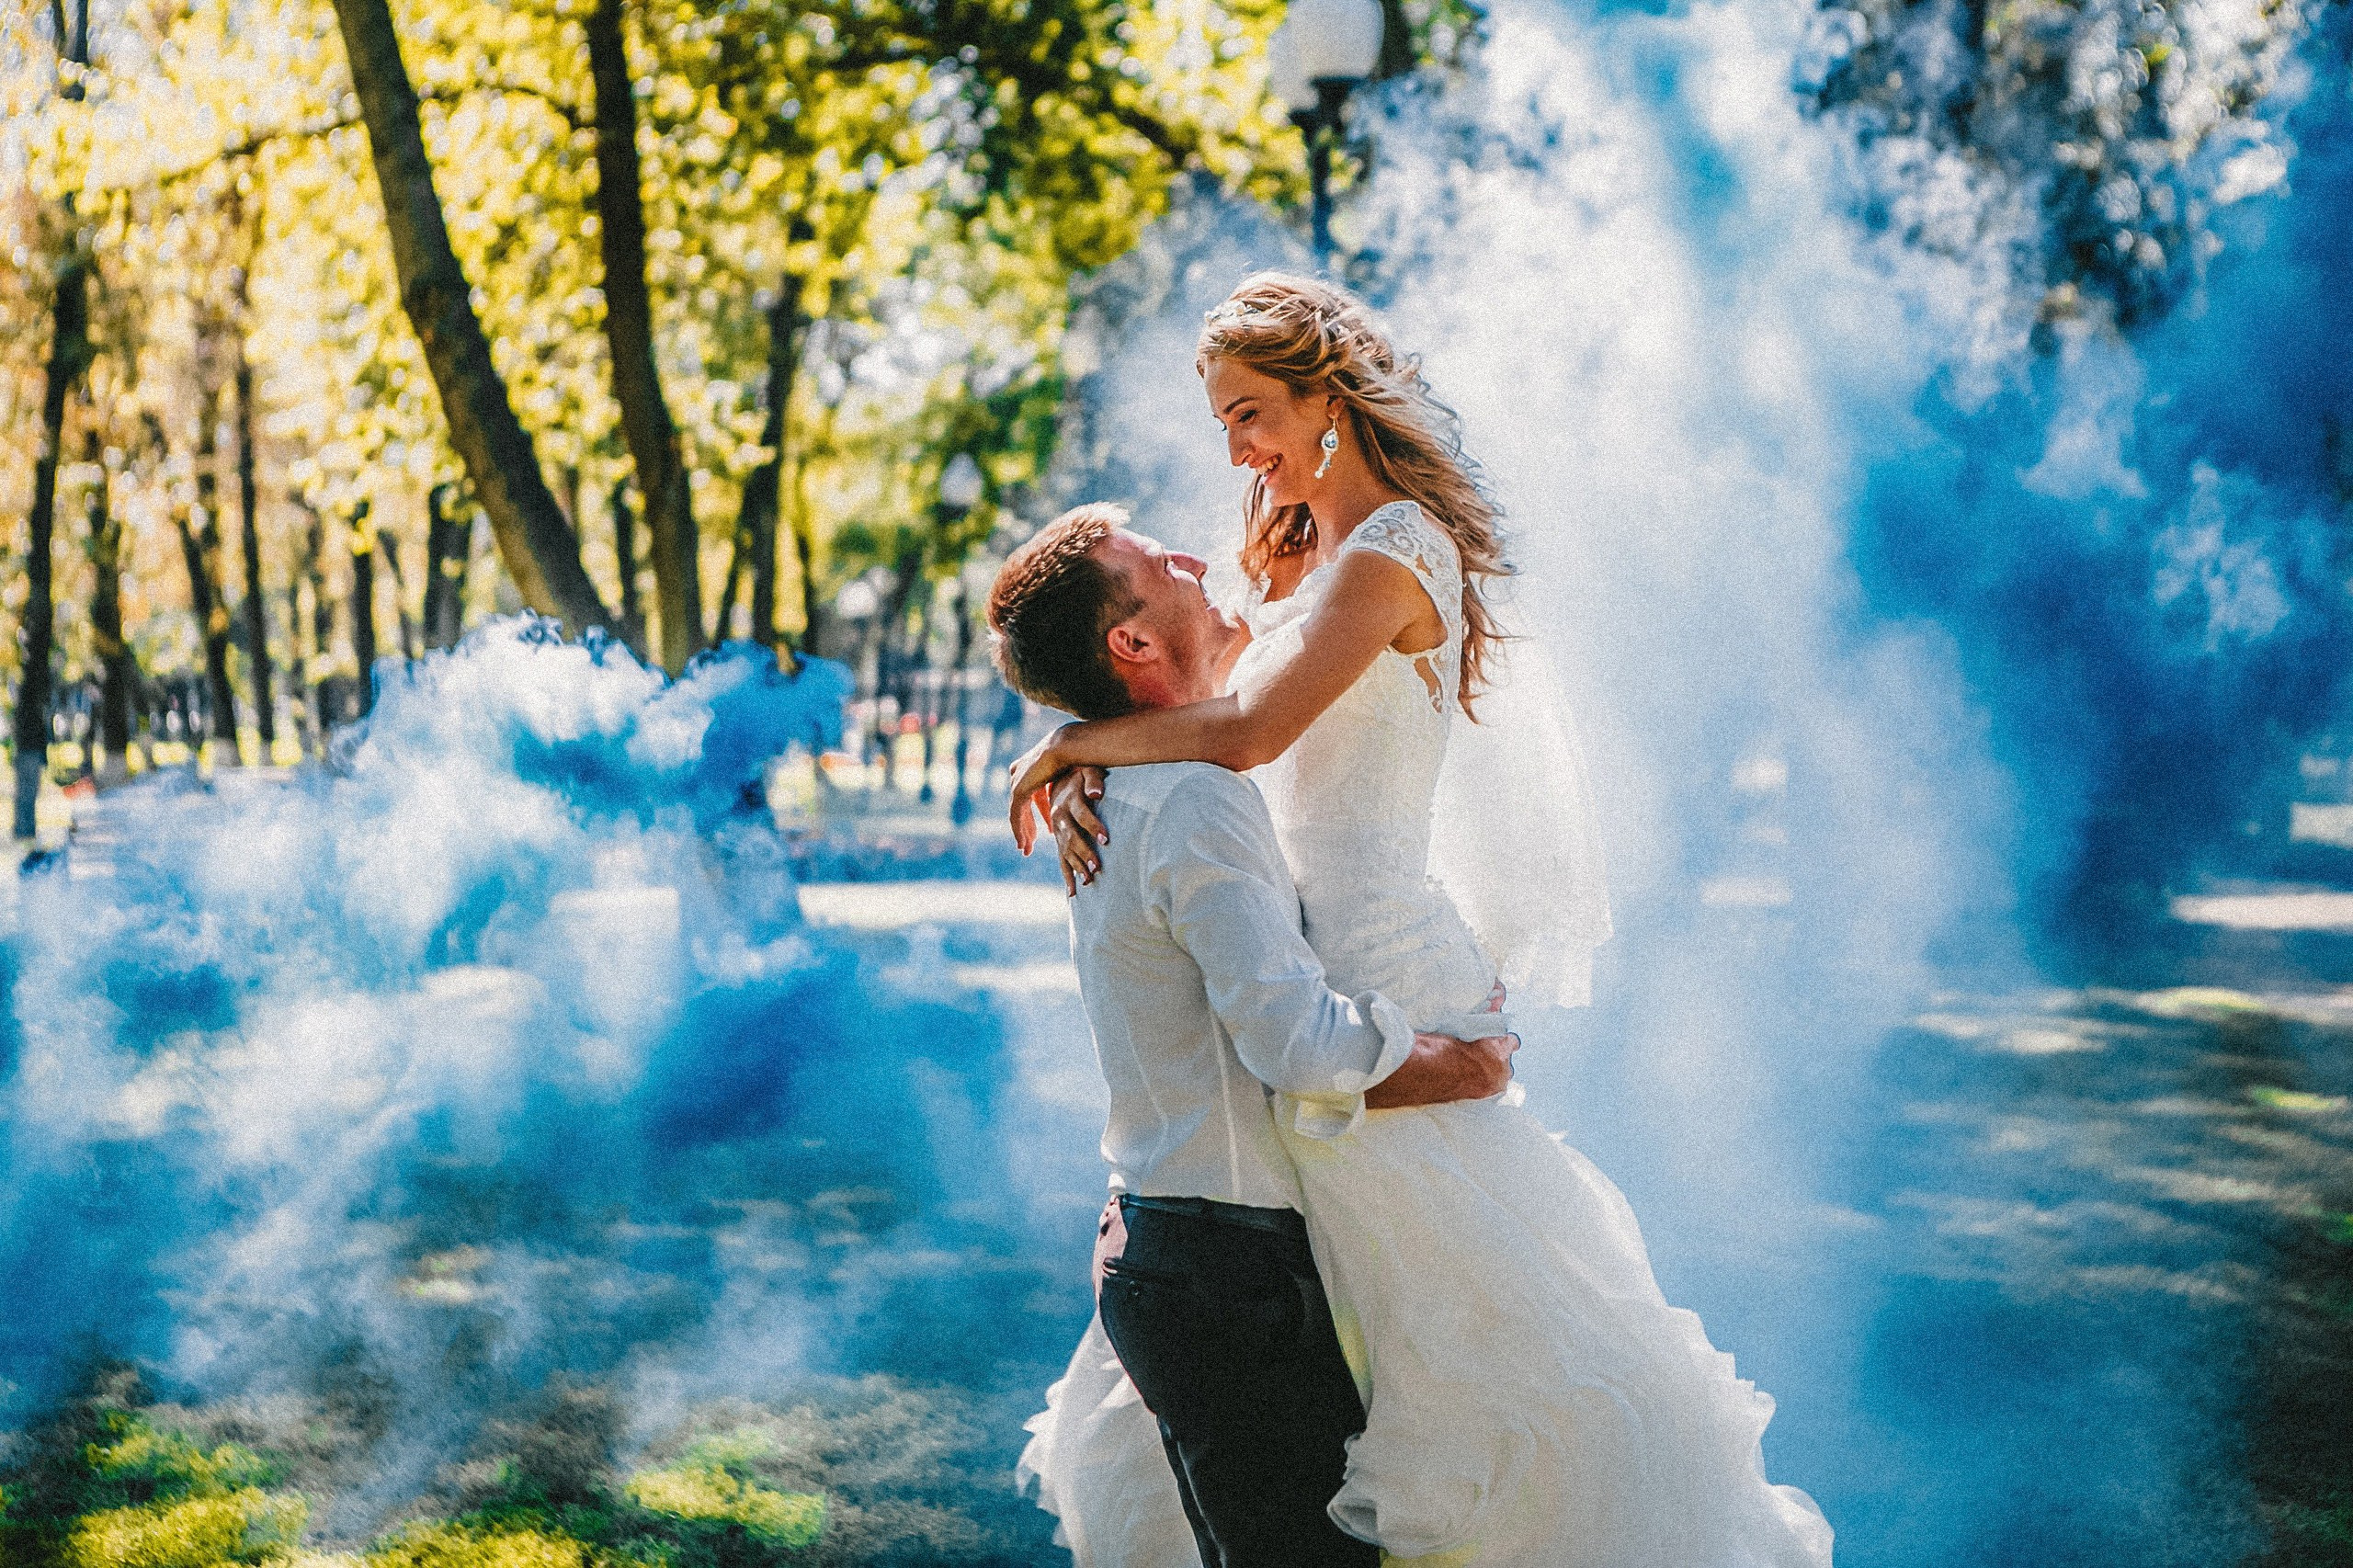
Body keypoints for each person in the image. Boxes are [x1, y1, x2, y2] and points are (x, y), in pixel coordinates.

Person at [1006, 274, 1835, 1566]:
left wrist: (1068, 747)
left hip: (1386, 967)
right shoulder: (1291, 561)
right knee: (1310, 1378)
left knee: (1465, 1386)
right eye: (1223, 422)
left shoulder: (1398, 548)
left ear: (1325, 395)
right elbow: (1182, 701)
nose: (1234, 449)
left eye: (1248, 413)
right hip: (1298, 984)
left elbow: (1247, 728)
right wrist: (1092, 761)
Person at [987, 500, 1520, 1567]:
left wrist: (1075, 740)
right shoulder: (1191, 799)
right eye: (1163, 563)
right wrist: (1459, 1061)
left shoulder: (1126, 785)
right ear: (1131, 642)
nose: (1196, 558)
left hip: (1174, 1246)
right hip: (1225, 1273)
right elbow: (1299, 1048)